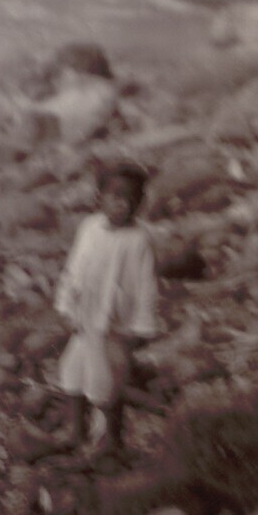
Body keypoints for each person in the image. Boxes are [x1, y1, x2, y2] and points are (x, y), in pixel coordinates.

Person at [54, 162, 161, 464]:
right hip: (85, 316)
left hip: (115, 324)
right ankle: (77, 431)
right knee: (73, 373)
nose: (122, 204)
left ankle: (113, 440)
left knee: (108, 382)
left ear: (140, 203)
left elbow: (146, 286)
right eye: (115, 196)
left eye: (131, 198)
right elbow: (74, 268)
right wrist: (65, 305)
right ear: (99, 196)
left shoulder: (139, 240)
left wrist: (142, 328)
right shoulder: (90, 228)